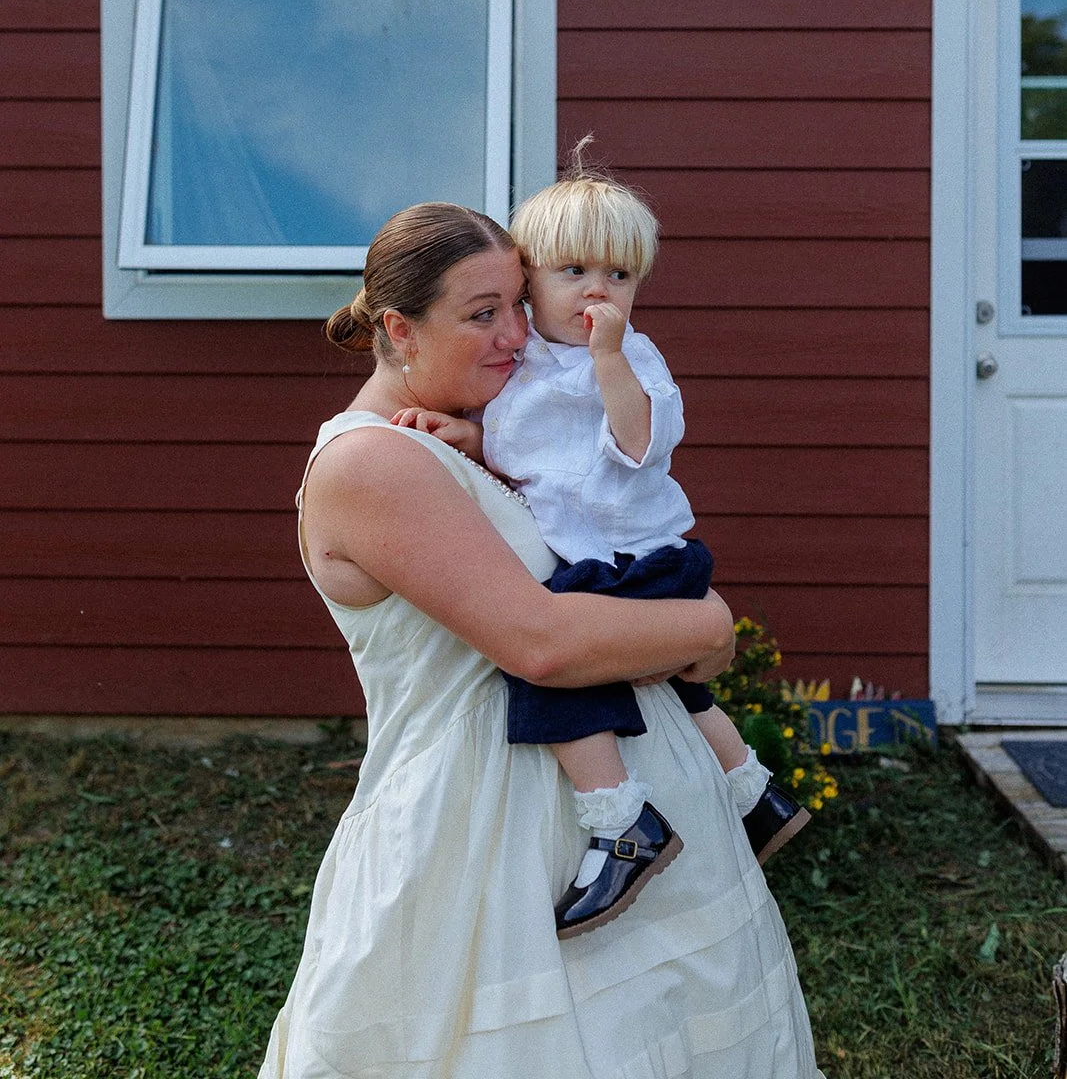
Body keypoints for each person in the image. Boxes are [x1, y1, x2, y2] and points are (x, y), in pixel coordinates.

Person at [258, 201, 825, 1079]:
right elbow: (543, 643)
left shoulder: (479, 441)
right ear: (399, 330)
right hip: (486, 835)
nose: (518, 335)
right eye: (482, 314)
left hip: (622, 814)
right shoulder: (371, 463)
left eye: (519, 304)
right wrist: (707, 623)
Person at [397, 156, 808, 942]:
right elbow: (535, 452)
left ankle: (620, 821)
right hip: (596, 556)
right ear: (528, 285)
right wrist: (469, 436)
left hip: (633, 557)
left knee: (554, 679)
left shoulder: (629, 362)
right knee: (681, 694)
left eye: (619, 275)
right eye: (572, 270)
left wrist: (612, 359)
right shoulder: (523, 366)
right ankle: (752, 794)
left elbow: (636, 441)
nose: (597, 291)